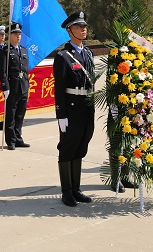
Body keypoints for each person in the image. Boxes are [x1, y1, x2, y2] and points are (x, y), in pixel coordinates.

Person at [53, 11, 95, 207]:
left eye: (84, 26)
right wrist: (61, 114)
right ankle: (66, 191)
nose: (83, 29)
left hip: (87, 107)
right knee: (68, 148)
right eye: (79, 26)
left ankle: (76, 189)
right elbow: (59, 88)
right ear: (69, 31)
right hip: (71, 109)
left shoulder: (88, 53)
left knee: (81, 147)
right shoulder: (63, 56)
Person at [0, 22, 30, 150]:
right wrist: (5, 86)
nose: (18, 36)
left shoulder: (23, 50)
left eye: (19, 34)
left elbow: (26, 69)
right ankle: (10, 140)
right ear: (9, 35)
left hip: (23, 85)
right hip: (12, 85)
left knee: (20, 114)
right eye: (15, 34)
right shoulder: (5, 51)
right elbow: (1, 70)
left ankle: (18, 138)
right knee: (11, 114)